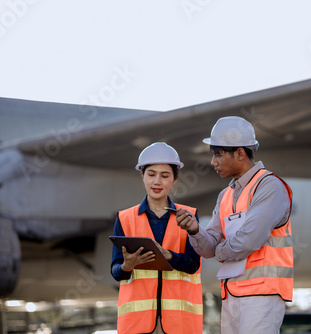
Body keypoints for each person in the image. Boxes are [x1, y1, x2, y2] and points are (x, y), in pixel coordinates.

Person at [177, 116, 294, 334]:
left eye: (218, 154)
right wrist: (194, 230)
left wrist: (219, 251)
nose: (213, 162)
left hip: (261, 296)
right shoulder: (225, 195)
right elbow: (208, 248)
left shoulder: (270, 186)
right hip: (232, 295)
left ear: (240, 153)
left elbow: (247, 241)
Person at [110, 142, 203, 334]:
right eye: (151, 174)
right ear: (142, 176)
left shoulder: (189, 217)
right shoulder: (125, 218)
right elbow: (116, 271)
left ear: (175, 179)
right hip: (138, 323)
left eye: (165, 175)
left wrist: (168, 255)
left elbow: (194, 264)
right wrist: (127, 265)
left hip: (179, 323)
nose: (157, 181)